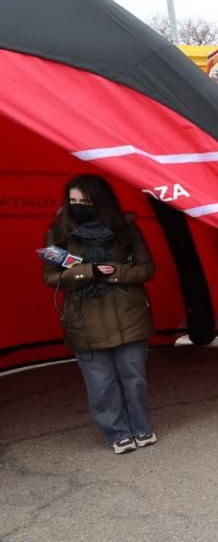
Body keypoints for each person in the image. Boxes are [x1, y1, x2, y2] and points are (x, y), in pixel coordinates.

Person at [42, 174, 157, 454]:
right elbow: (50, 276)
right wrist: (87, 272)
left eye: (86, 200)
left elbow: (147, 269)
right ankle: (117, 433)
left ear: (101, 201)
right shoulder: (58, 231)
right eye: (74, 200)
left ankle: (141, 428)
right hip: (84, 319)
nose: (79, 205)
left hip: (128, 314)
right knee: (100, 382)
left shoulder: (126, 228)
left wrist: (114, 272)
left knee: (134, 378)